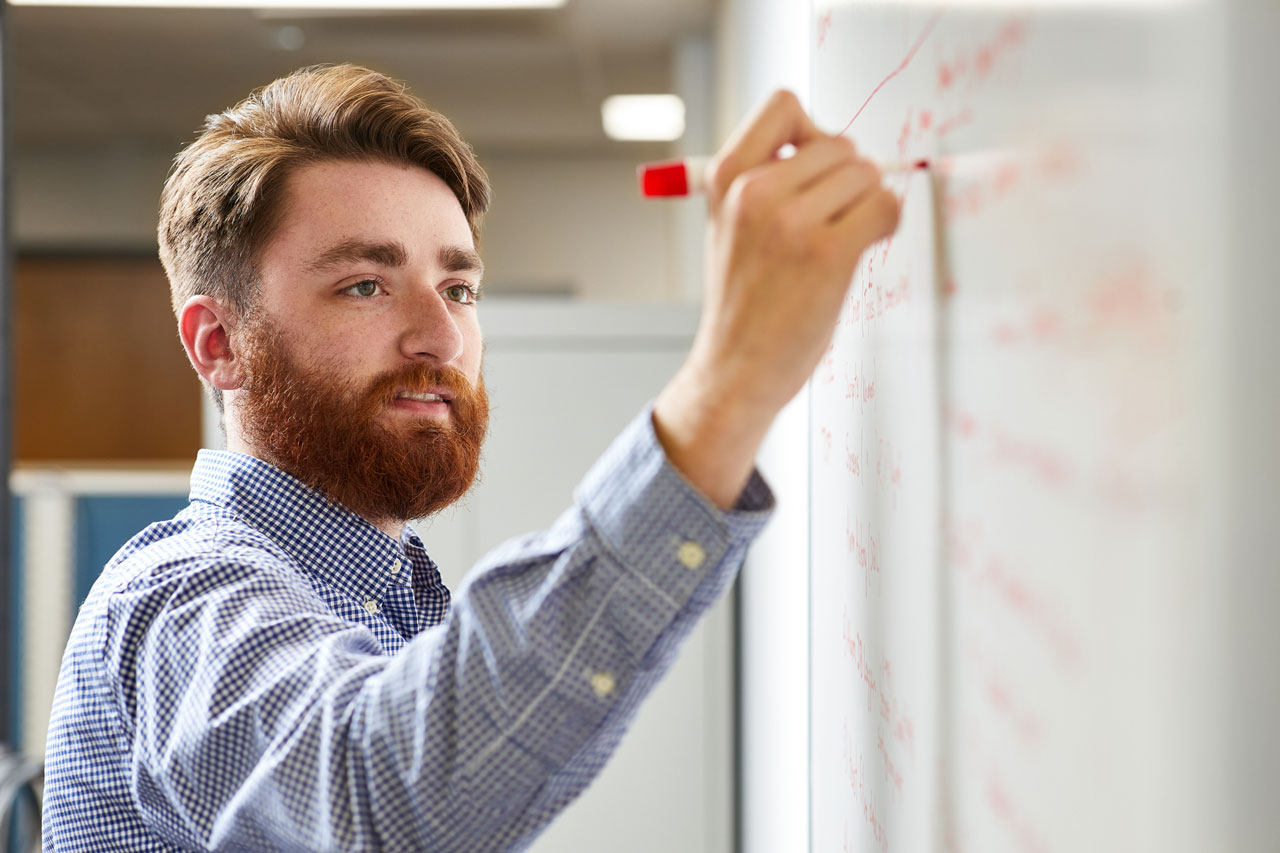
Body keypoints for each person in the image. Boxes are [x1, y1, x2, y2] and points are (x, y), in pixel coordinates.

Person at [41, 64, 899, 851]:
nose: (442, 336)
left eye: (458, 288)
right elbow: (381, 799)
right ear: (218, 343)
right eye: (365, 286)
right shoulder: (180, 602)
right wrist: (727, 385)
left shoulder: (385, 594)